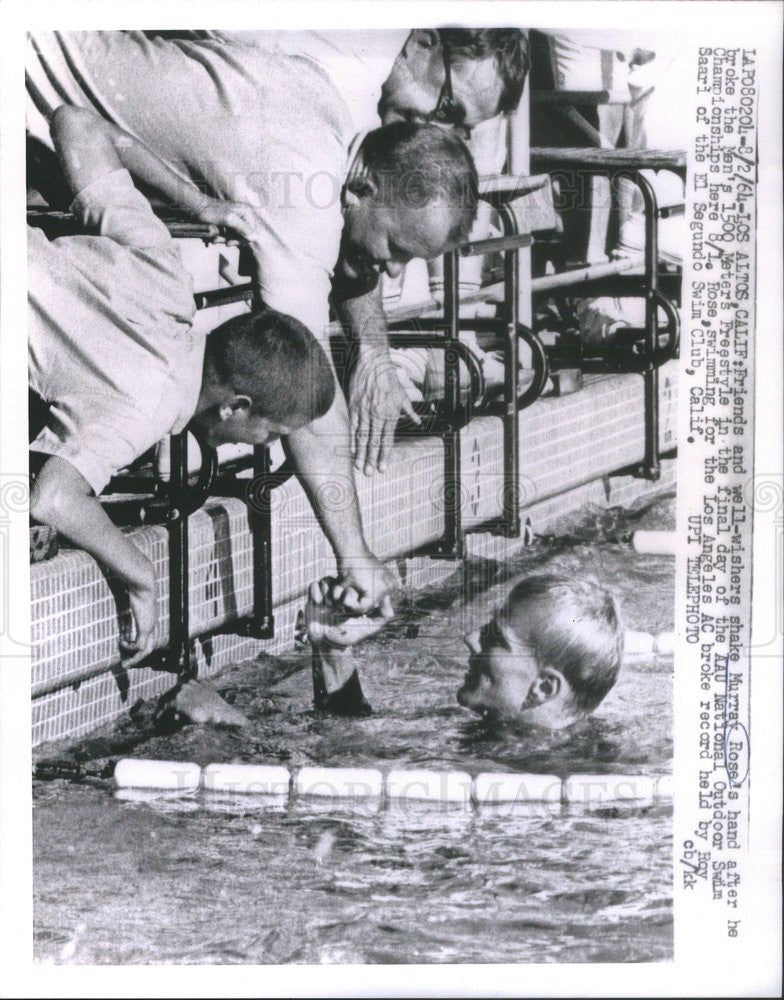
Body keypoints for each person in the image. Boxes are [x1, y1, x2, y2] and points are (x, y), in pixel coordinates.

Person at [26, 30, 480, 614]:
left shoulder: (326, 115)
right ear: (359, 190)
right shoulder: (302, 205)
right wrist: (355, 556)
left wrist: (195, 203)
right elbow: (301, 383)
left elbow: (79, 120)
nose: (390, 274)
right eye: (396, 247)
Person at [29, 105, 336, 666]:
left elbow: (77, 122)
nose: (265, 448)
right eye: (268, 433)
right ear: (235, 407)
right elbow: (53, 498)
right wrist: (140, 574)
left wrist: (200, 205)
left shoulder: (167, 276)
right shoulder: (145, 405)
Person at [307, 573, 623, 727]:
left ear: (543, 688)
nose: (470, 639)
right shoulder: (493, 733)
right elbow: (347, 741)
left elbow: (342, 762)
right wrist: (333, 649)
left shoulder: (528, 776)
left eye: (496, 640)